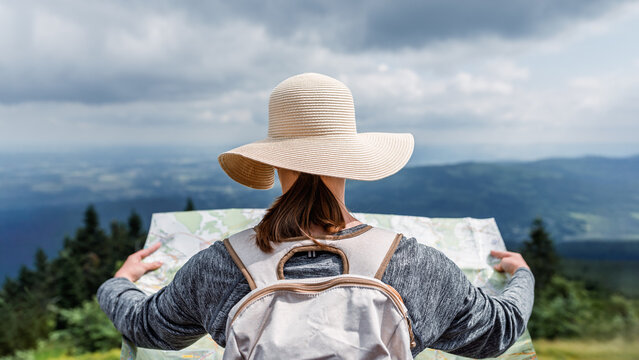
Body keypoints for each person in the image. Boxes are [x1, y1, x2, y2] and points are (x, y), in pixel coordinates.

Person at [98, 73, 534, 359]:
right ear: (352, 159)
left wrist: (118, 283)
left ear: (273, 162)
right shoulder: (413, 264)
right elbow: (499, 331)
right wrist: (522, 274)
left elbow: (148, 328)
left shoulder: (219, 267)